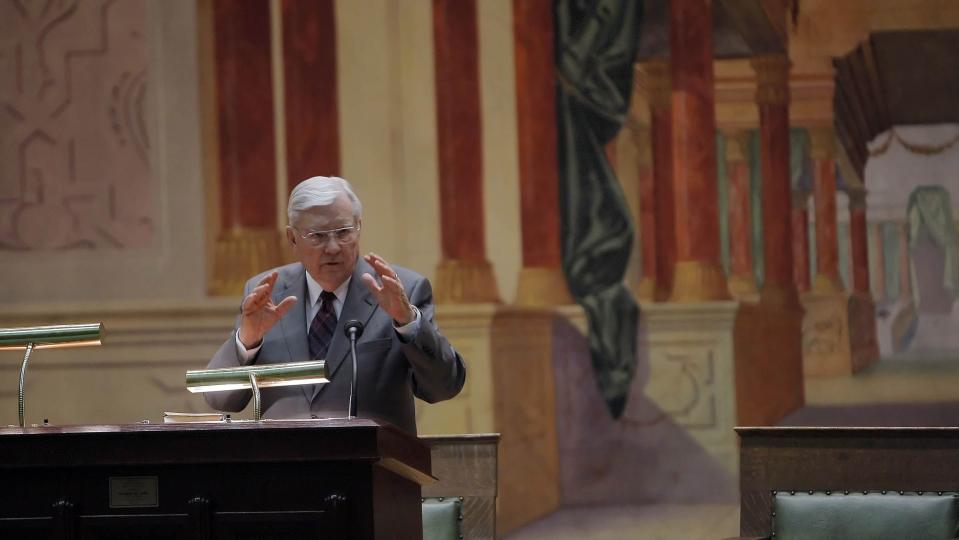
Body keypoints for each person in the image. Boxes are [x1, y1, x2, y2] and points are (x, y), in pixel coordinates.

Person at [204, 176, 466, 434]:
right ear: (292, 239)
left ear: (359, 227)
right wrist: (247, 340)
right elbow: (221, 400)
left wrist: (408, 322)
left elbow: (444, 386)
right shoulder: (265, 292)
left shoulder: (402, 290)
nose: (332, 248)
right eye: (317, 236)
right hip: (284, 470)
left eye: (343, 232)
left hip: (374, 470)